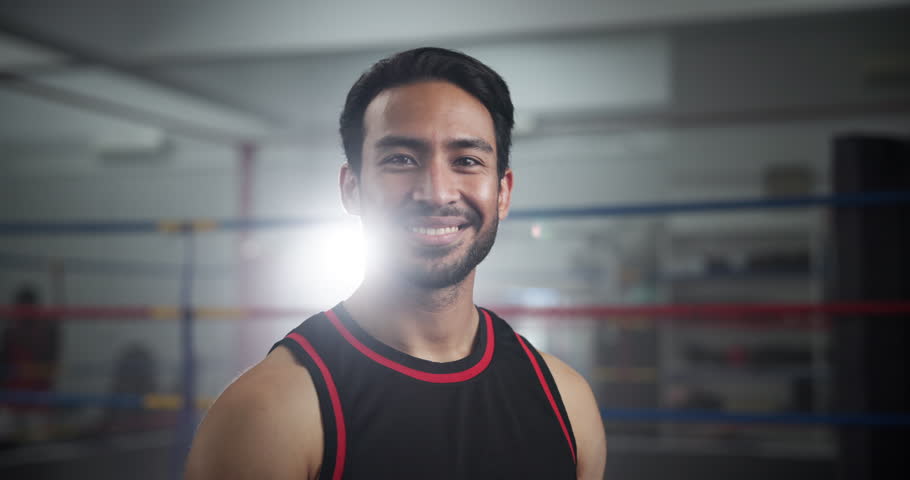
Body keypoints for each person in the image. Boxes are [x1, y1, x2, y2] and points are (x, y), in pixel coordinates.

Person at [186, 47, 606, 479]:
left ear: (502, 193)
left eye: (466, 161)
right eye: (401, 159)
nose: (437, 192)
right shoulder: (268, 414)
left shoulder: (567, 402)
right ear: (351, 188)